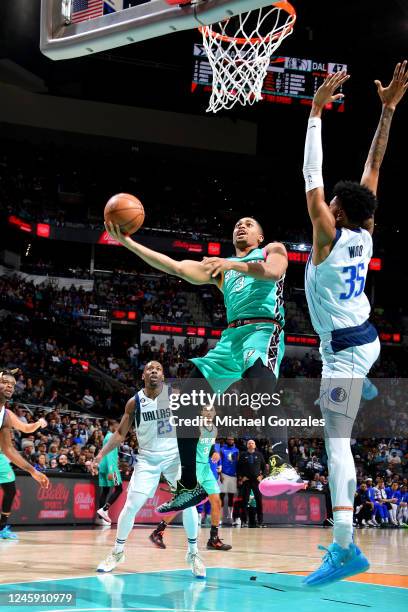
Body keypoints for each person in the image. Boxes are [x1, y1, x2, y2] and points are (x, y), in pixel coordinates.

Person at [106, 215, 302, 514]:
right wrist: (127, 242)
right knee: (185, 403)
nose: (241, 225)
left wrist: (231, 264)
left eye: (249, 223)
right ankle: (189, 485)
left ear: (260, 236)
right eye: (237, 223)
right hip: (231, 339)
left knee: (260, 389)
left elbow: (274, 273)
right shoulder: (219, 268)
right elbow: (174, 266)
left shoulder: (271, 249)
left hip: (262, 330)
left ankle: (282, 464)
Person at [302, 62, 408, 586]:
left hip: (345, 351)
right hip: (368, 341)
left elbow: (311, 178)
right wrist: (386, 110)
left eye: (333, 203)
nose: (330, 201)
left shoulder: (328, 234)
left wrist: (317, 112)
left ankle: (345, 549)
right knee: (344, 397)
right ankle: (363, 382)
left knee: (335, 443)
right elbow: (375, 162)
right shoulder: (364, 227)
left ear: (337, 212)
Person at [93, 362, 205, 578]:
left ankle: (193, 553)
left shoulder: (175, 397)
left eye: (158, 369)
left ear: (163, 375)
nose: (154, 371)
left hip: (174, 457)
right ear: (143, 374)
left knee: (189, 502)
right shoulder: (134, 402)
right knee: (131, 505)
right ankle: (117, 552)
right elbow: (119, 434)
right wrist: (101, 454)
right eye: (149, 368)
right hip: (147, 459)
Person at [0, 370, 49, 539]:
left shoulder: (5, 415)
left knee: (10, 490)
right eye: (5, 381)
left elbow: (8, 449)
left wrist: (33, 471)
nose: (9, 386)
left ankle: (1, 527)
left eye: (13, 384)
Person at [96, 420, 123, 525]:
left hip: (103, 466)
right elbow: (110, 455)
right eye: (117, 425)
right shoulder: (112, 436)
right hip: (110, 468)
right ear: (112, 426)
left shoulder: (107, 436)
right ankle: (104, 510)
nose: (118, 427)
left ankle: (100, 518)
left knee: (106, 491)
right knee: (119, 489)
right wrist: (112, 470)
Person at [237, 440, 265, 527]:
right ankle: (244, 521)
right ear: (247, 445)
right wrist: (241, 477)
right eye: (249, 443)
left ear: (255, 445)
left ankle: (260, 522)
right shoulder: (243, 455)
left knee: (259, 501)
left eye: (252, 443)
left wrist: (262, 476)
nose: (250, 444)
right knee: (244, 501)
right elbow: (238, 468)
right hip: (247, 481)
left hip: (256, 482)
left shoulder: (259, 455)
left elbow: (264, 467)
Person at [219, 436, 239, 523]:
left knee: (231, 497)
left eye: (232, 439)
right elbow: (219, 462)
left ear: (233, 441)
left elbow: (237, 463)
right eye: (229, 439)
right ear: (226, 440)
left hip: (233, 475)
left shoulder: (236, 450)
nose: (230, 440)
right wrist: (220, 474)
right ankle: (220, 517)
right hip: (223, 474)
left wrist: (238, 476)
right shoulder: (222, 449)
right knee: (222, 496)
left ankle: (230, 516)